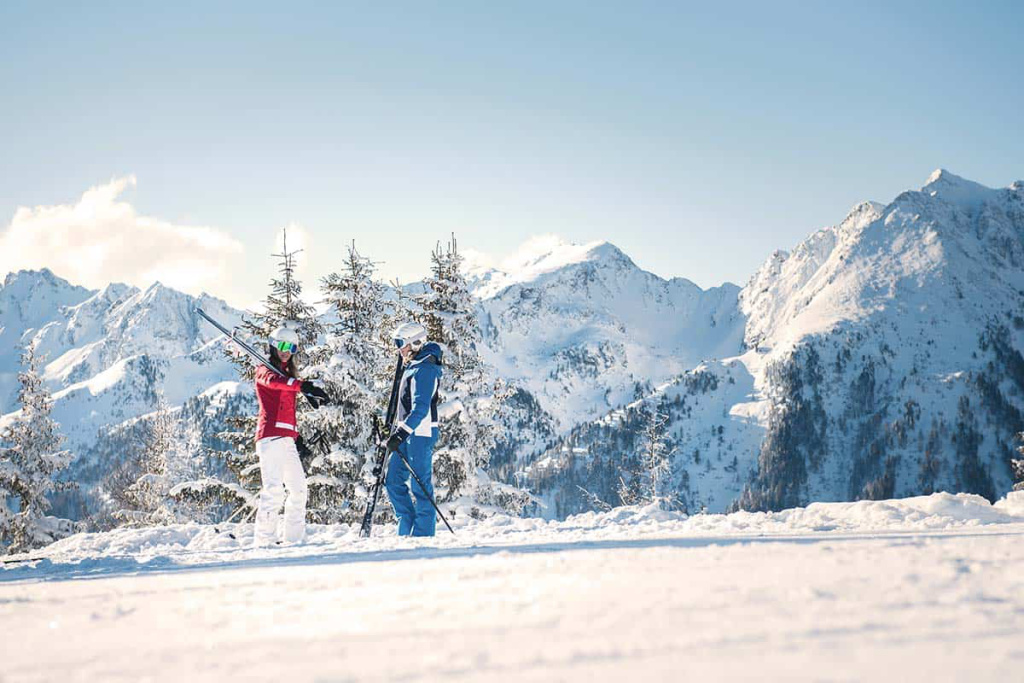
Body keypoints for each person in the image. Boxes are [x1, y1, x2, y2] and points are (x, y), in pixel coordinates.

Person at [251, 323, 329, 547]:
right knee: (274, 490)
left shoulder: (288, 375)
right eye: (283, 346)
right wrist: (302, 386)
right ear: (274, 346)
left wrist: (296, 437)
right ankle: (264, 542)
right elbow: (272, 383)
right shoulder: (265, 370)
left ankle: (293, 540)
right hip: (270, 437)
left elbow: (286, 410)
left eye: (292, 348)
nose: (286, 351)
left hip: (286, 438)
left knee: (298, 489)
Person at [384, 322, 444, 537]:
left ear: (415, 343)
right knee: (392, 481)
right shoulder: (414, 365)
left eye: (401, 344)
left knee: (420, 485)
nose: (398, 349)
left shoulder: (425, 368)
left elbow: (420, 408)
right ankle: (406, 524)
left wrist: (401, 433)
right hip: (407, 432)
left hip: (421, 432)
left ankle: (422, 535)